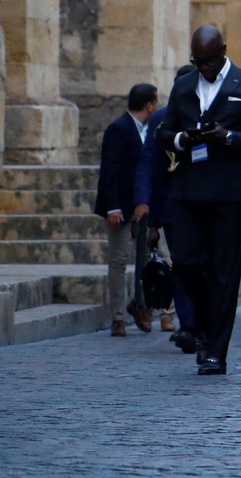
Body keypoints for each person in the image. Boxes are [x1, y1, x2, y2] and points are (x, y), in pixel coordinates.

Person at [155, 26, 241, 374]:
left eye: (209, 60)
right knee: (186, 262)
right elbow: (164, 132)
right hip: (188, 189)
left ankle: (215, 351)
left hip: (228, 193)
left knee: (224, 272)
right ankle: (207, 322)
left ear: (223, 50)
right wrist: (182, 139)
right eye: (197, 61)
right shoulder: (184, 85)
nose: (203, 67)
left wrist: (229, 137)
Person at [134, 67, 198, 344]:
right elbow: (150, 167)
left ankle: (203, 321)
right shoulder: (160, 120)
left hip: (207, 205)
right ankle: (189, 323)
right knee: (182, 267)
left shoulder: (209, 118)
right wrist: (150, 215)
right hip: (174, 208)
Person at [98, 82, 158, 336]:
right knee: (119, 260)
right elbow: (109, 170)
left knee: (145, 261)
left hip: (141, 208)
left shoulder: (148, 131)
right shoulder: (119, 129)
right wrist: (112, 206)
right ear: (149, 105)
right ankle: (118, 317)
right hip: (120, 208)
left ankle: (140, 305)